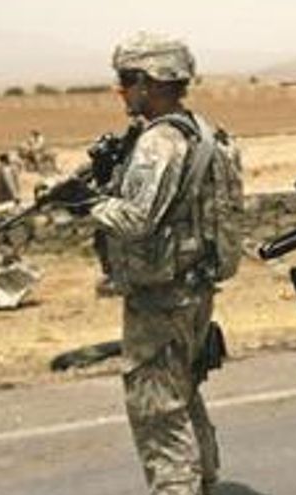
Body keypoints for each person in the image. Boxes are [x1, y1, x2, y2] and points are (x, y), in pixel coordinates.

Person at [79, 32, 238, 495]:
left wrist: (85, 203)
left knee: (156, 408)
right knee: (182, 392)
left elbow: (135, 220)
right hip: (193, 289)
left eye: (127, 81)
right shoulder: (202, 131)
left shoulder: (160, 141)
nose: (122, 91)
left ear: (151, 82)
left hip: (161, 299)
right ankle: (206, 482)